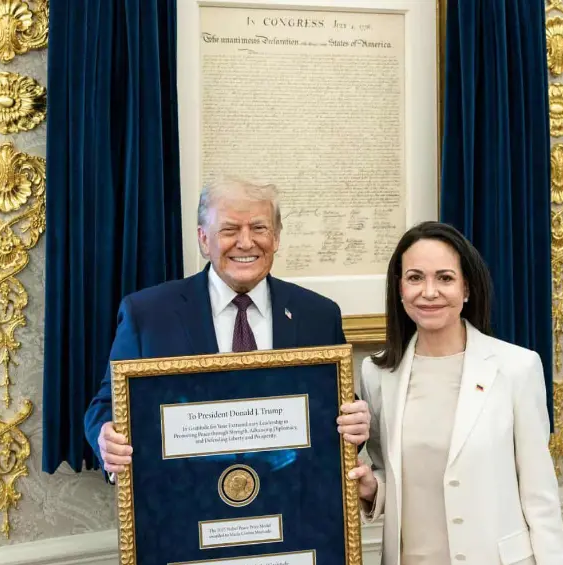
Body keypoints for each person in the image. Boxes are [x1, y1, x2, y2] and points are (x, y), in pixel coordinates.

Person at [84, 177, 370, 476]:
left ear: (276, 237)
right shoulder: (147, 314)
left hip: (292, 501)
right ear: (204, 239)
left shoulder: (319, 315)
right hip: (183, 503)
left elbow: (336, 410)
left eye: (259, 228)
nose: (246, 242)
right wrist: (106, 437)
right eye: (230, 230)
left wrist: (356, 423)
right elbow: (107, 404)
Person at [348, 221, 563, 565]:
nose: (429, 292)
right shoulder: (377, 374)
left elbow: (540, 496)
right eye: (415, 278)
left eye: (445, 278)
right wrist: (372, 489)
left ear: (466, 289)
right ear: (400, 288)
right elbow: (389, 472)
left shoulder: (516, 368)